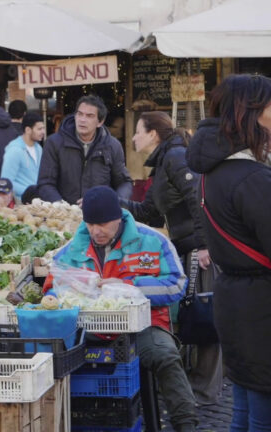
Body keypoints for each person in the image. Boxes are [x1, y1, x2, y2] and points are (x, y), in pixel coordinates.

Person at [49, 186, 197, 432]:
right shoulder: (71, 251)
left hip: (145, 324)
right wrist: (73, 292)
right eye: (90, 224)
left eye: (104, 224)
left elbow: (177, 285)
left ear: (119, 216)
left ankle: (186, 424)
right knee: (55, 358)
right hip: (88, 330)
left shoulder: (152, 240)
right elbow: (51, 291)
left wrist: (129, 287)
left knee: (165, 356)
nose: (97, 231)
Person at [187, 74, 271, 430]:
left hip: (235, 300)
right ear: (250, 112)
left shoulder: (214, 172)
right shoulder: (252, 178)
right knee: (262, 415)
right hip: (261, 309)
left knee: (245, 407)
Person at [122, 111, 221, 405]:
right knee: (194, 315)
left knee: (205, 317)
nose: (133, 137)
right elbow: (149, 211)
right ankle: (196, 384)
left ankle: (205, 391)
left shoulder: (175, 157)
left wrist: (205, 246)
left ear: (153, 134)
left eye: (137, 131)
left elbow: (197, 197)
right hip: (187, 247)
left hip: (198, 250)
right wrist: (110, 202)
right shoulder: (164, 163)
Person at [37, 95, 132, 204]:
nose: (82, 119)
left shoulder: (112, 146)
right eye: (80, 114)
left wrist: (111, 202)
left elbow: (124, 183)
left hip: (101, 214)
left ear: (100, 122)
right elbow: (45, 183)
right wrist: (61, 205)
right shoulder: (54, 143)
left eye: (89, 116)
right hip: (64, 215)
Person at [1, 112, 46, 201]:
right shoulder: (15, 150)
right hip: (20, 202)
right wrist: (29, 191)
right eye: (39, 129)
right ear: (28, 130)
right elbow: (6, 181)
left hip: (37, 201)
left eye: (43, 128)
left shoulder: (38, 148)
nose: (43, 132)